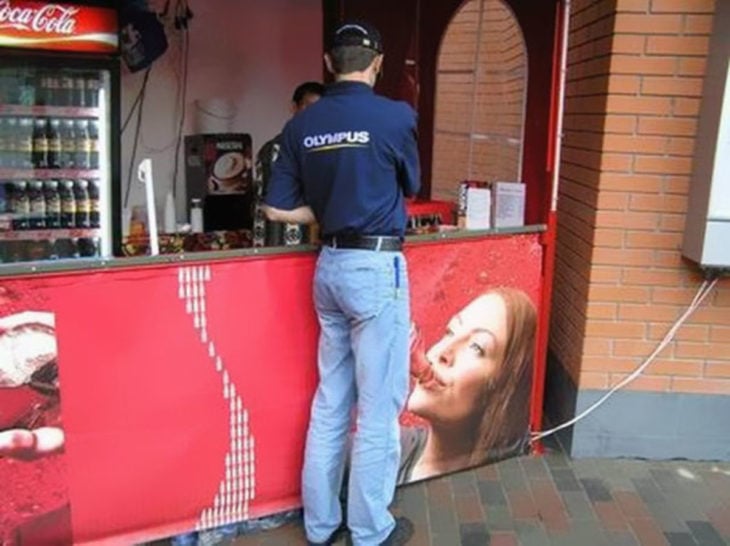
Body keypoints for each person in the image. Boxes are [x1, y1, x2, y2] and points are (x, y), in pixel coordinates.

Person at [262, 20, 420, 546]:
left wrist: (327, 211)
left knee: (331, 401)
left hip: (328, 267)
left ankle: (322, 526)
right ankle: (371, 532)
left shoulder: (303, 124)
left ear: (329, 64)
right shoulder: (396, 117)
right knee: (376, 411)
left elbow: (276, 207)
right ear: (376, 62)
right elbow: (411, 185)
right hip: (375, 270)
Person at [399, 287, 537, 484]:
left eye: (476, 347)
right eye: (450, 332)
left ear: (504, 391)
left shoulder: (511, 492)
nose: (442, 352)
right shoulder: (373, 454)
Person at [253, 81, 325, 247]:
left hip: (306, 242)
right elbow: (275, 204)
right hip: (277, 241)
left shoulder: (315, 146)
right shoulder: (276, 149)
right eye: (309, 107)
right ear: (294, 107)